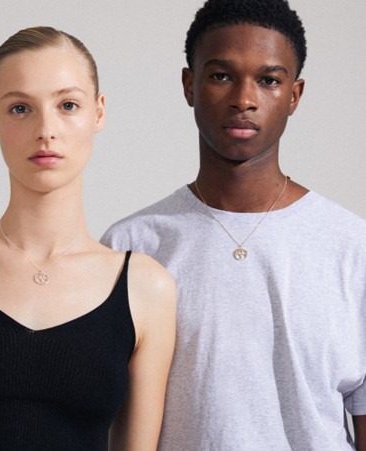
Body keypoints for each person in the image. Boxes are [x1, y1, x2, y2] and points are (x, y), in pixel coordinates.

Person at [101, 0, 366, 449]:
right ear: (190, 85)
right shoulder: (130, 247)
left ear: (294, 95)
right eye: (222, 76)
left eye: (269, 80)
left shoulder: (352, 246)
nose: (244, 99)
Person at [0, 26, 176, 450]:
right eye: (20, 108)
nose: (46, 129)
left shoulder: (146, 290)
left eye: (68, 105)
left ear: (98, 112)